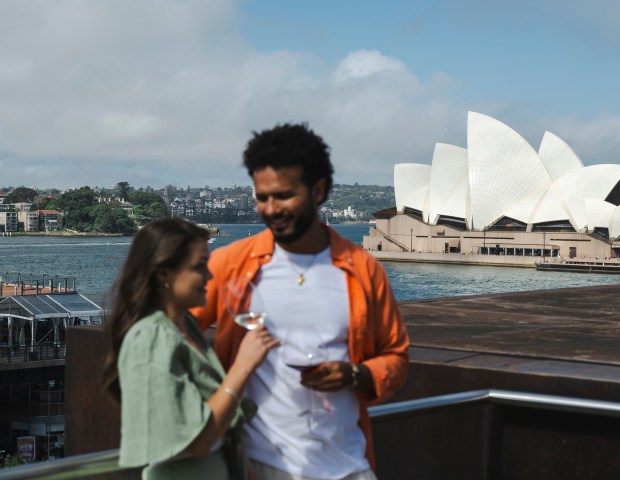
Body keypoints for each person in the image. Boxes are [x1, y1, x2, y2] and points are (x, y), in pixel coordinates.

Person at [192, 123, 409, 480]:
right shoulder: (231, 264)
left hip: (349, 466)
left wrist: (356, 374)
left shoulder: (363, 270)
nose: (271, 208)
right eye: (262, 197)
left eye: (284, 195)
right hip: (259, 466)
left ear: (318, 190)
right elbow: (175, 331)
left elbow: (396, 356)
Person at [104, 218, 278, 479]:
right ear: (163, 274)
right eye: (199, 267)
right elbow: (196, 443)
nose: (210, 275)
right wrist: (243, 365)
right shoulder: (151, 336)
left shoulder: (185, 325)